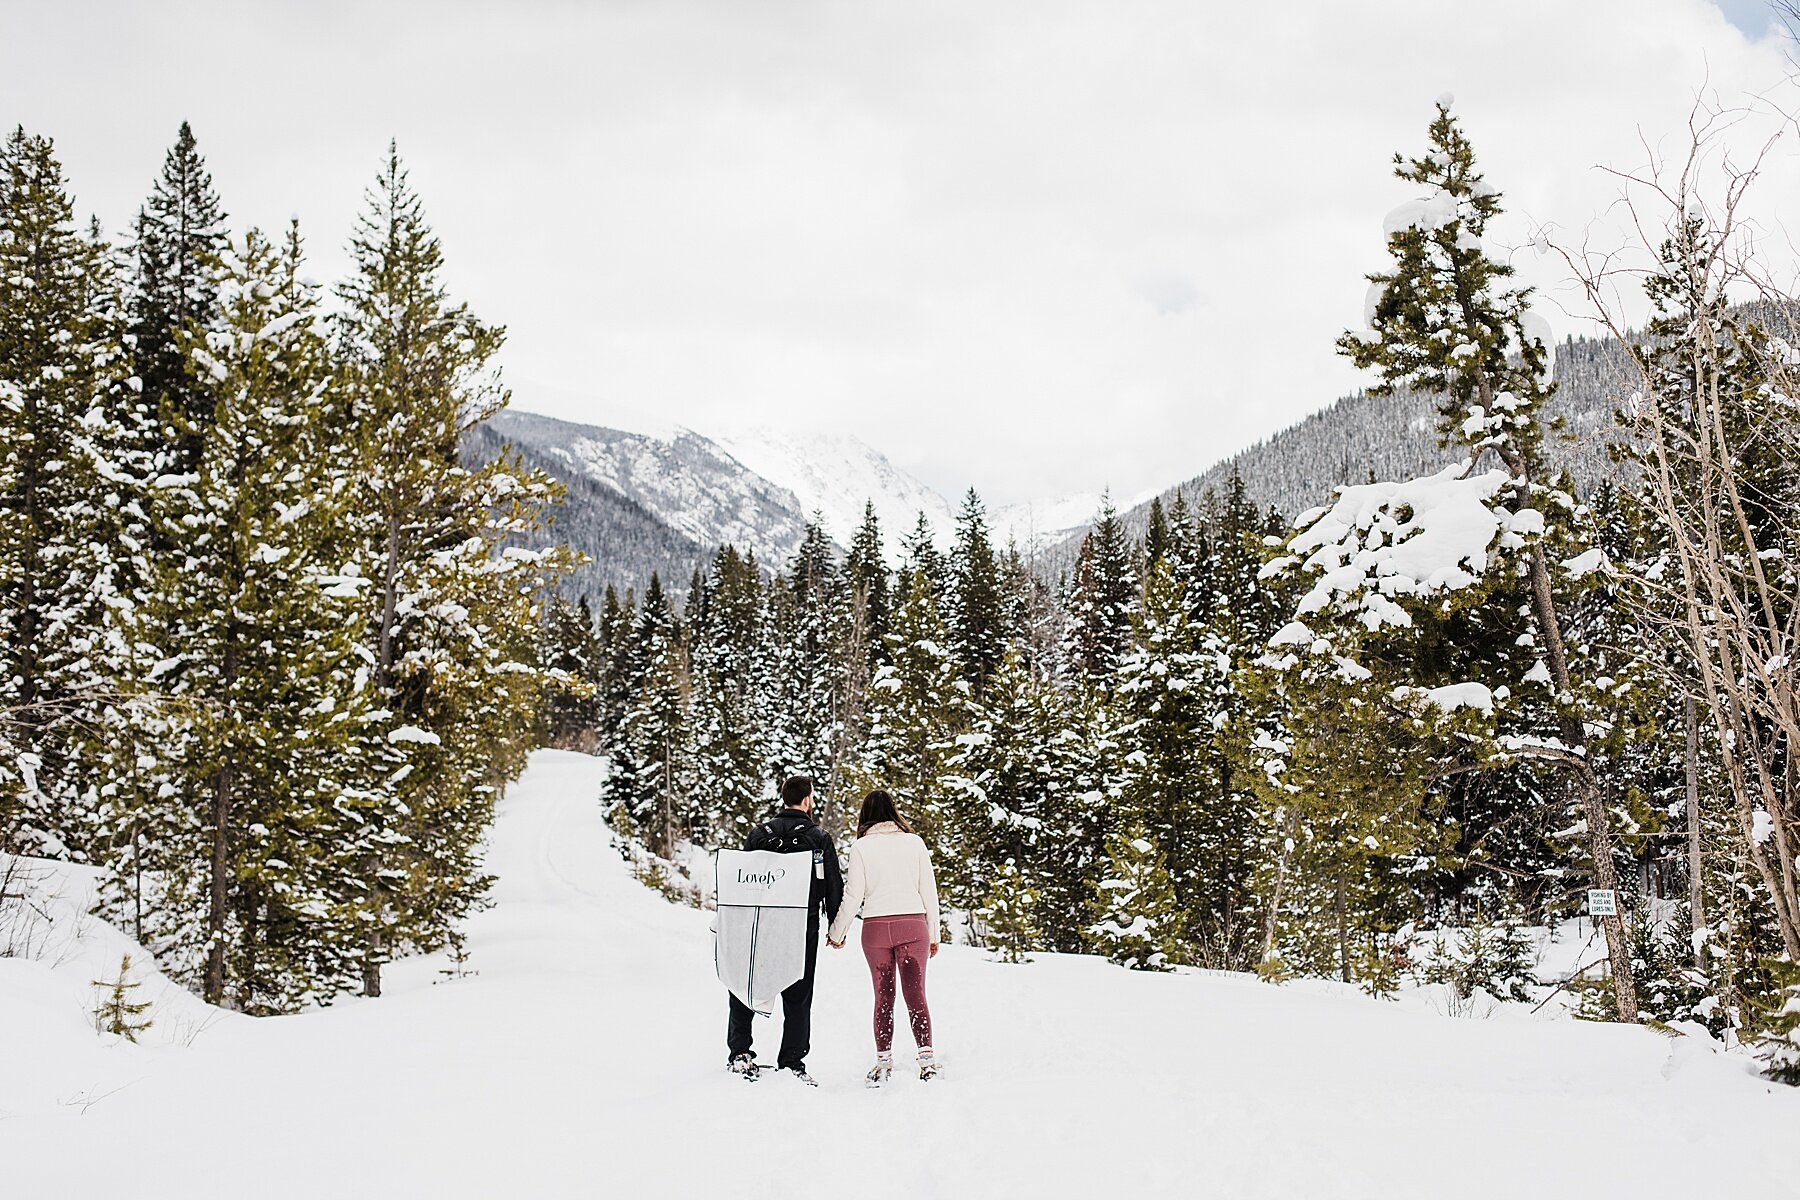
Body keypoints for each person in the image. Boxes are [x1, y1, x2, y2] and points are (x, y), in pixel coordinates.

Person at [727, 774, 843, 1085]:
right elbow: (833, 886)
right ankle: (792, 1061)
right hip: (801, 927)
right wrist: (837, 926)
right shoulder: (819, 838)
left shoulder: (760, 834)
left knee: (746, 985)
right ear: (807, 800)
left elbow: (741, 880)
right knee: (799, 994)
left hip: (761, 923)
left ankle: (740, 1052)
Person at [827, 790, 941, 1085]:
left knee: (883, 997)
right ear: (893, 812)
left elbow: (853, 895)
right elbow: (929, 891)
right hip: (913, 926)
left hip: (876, 929)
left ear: (865, 816)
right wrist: (934, 933)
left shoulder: (862, 847)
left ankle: (883, 1062)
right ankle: (926, 1061)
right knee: (916, 994)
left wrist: (836, 932)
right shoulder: (914, 842)